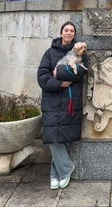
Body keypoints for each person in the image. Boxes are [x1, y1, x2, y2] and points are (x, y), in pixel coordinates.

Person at [37, 21, 88, 190]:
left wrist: (58, 72)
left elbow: (81, 72)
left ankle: (55, 174)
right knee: (53, 137)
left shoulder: (79, 52)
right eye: (66, 30)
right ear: (61, 33)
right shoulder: (49, 53)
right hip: (52, 99)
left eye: (72, 31)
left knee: (62, 137)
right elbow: (42, 77)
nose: (68, 33)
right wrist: (59, 84)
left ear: (74, 34)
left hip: (70, 101)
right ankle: (66, 169)